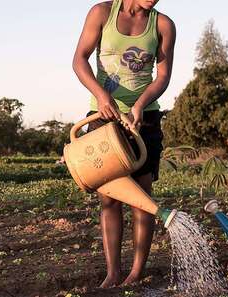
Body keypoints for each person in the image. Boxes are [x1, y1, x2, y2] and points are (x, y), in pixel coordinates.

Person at [72, 0, 176, 288]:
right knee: (110, 198)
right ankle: (113, 272)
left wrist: (141, 105)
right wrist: (101, 97)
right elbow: (79, 59)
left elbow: (163, 75)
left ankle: (136, 272)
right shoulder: (102, 13)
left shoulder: (163, 25)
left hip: (145, 118)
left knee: (142, 199)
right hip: (104, 117)